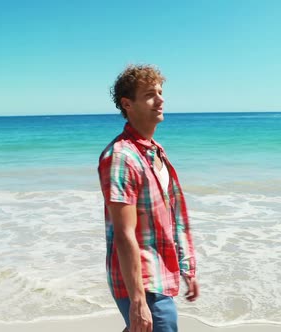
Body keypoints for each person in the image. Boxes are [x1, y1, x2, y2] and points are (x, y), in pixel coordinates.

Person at [98, 64, 199, 332]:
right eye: (150, 94)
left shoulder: (155, 151)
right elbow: (124, 234)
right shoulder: (121, 157)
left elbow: (170, 217)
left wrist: (186, 267)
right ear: (127, 104)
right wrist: (138, 300)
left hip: (161, 272)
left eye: (161, 92)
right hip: (142, 283)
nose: (161, 99)